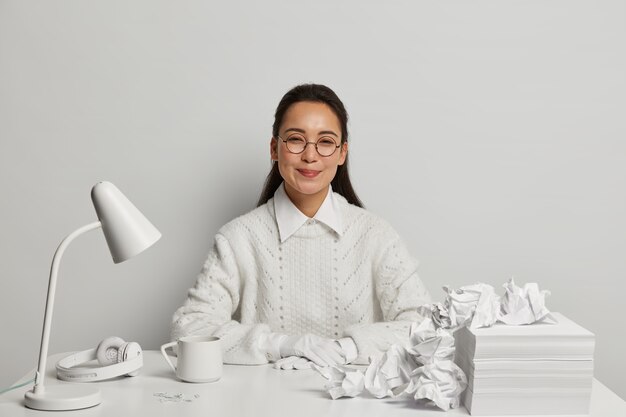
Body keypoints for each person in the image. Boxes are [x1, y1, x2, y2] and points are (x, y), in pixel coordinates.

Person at [171, 83, 431, 369]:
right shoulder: (238, 238)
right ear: (274, 148)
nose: (310, 155)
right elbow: (189, 328)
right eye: (296, 140)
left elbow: (424, 327)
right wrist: (282, 345)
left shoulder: (376, 235)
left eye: (326, 141)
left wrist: (346, 348)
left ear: (342, 153)